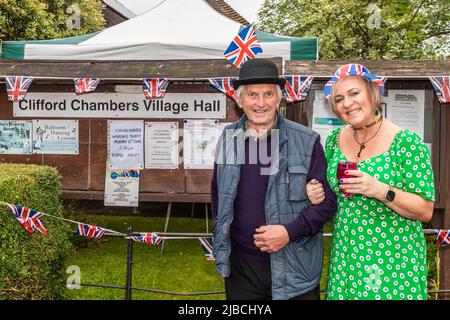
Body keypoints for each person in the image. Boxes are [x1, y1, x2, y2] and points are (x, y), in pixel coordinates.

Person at [210, 58, 337, 300]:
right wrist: (222, 252)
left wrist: (289, 232)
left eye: (268, 94)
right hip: (242, 270)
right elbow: (220, 196)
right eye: (252, 95)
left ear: (279, 99)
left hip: (294, 266)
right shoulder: (229, 137)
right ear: (239, 100)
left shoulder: (306, 140)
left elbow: (327, 202)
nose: (260, 103)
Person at [306, 63, 435, 300]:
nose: (347, 103)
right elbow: (334, 192)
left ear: (372, 93)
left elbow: (425, 211)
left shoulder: (406, 142)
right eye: (339, 99)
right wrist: (317, 192)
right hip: (347, 254)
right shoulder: (334, 139)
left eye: (354, 93)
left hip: (393, 260)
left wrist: (380, 190)